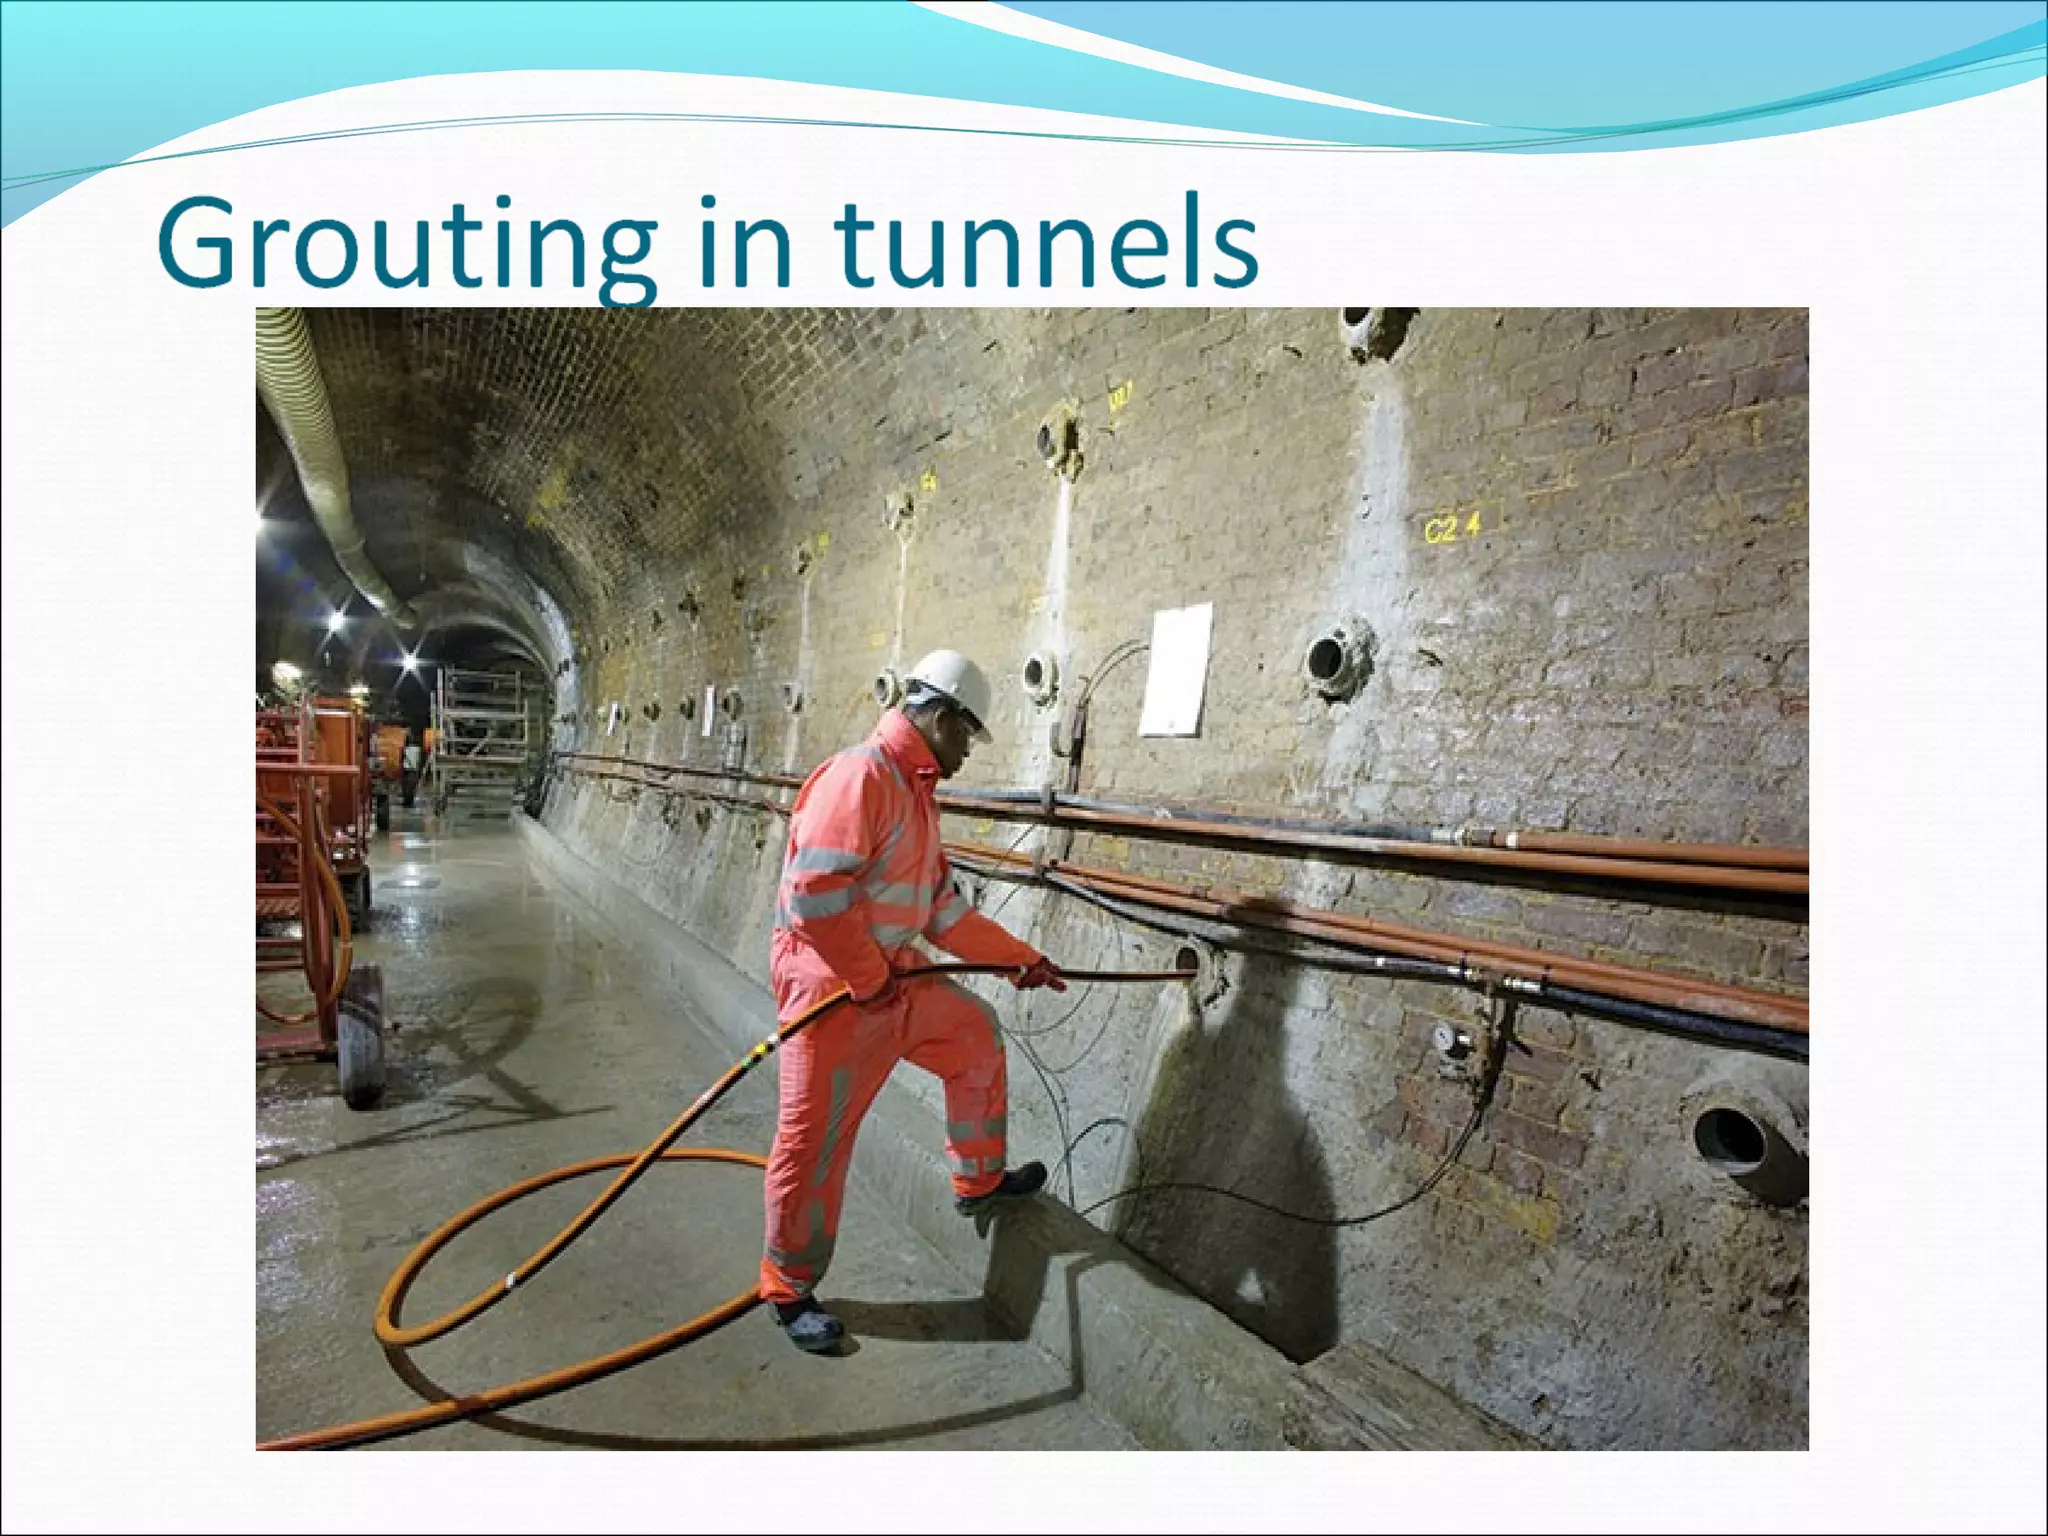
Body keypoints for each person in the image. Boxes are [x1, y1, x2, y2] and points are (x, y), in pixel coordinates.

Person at [762, 648, 1067, 1352]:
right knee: (812, 1146)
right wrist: (868, 978)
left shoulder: (917, 797)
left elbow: (943, 914)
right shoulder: (861, 777)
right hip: (830, 989)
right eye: (967, 732)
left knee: (973, 1036)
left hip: (889, 980)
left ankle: (978, 1181)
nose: (969, 749)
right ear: (937, 716)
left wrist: (1020, 959)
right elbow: (815, 895)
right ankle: (788, 1287)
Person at [400, 734, 423, 808]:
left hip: (408, 769)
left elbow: (402, 759)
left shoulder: (405, 749)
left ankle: (407, 801)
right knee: (410, 787)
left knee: (407, 787)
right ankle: (409, 802)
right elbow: (419, 760)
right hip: (412, 769)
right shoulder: (417, 749)